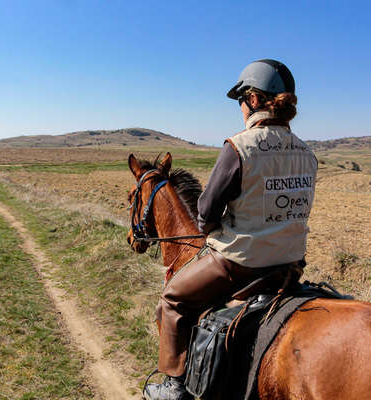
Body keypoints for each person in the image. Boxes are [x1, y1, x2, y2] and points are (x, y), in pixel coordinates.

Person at [144, 59, 318, 400]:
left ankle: (175, 385)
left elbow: (207, 210)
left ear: (252, 99)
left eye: (240, 101)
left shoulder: (240, 146)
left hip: (239, 262)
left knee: (173, 299)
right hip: (289, 264)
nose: (240, 109)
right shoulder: (307, 153)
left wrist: (213, 227)